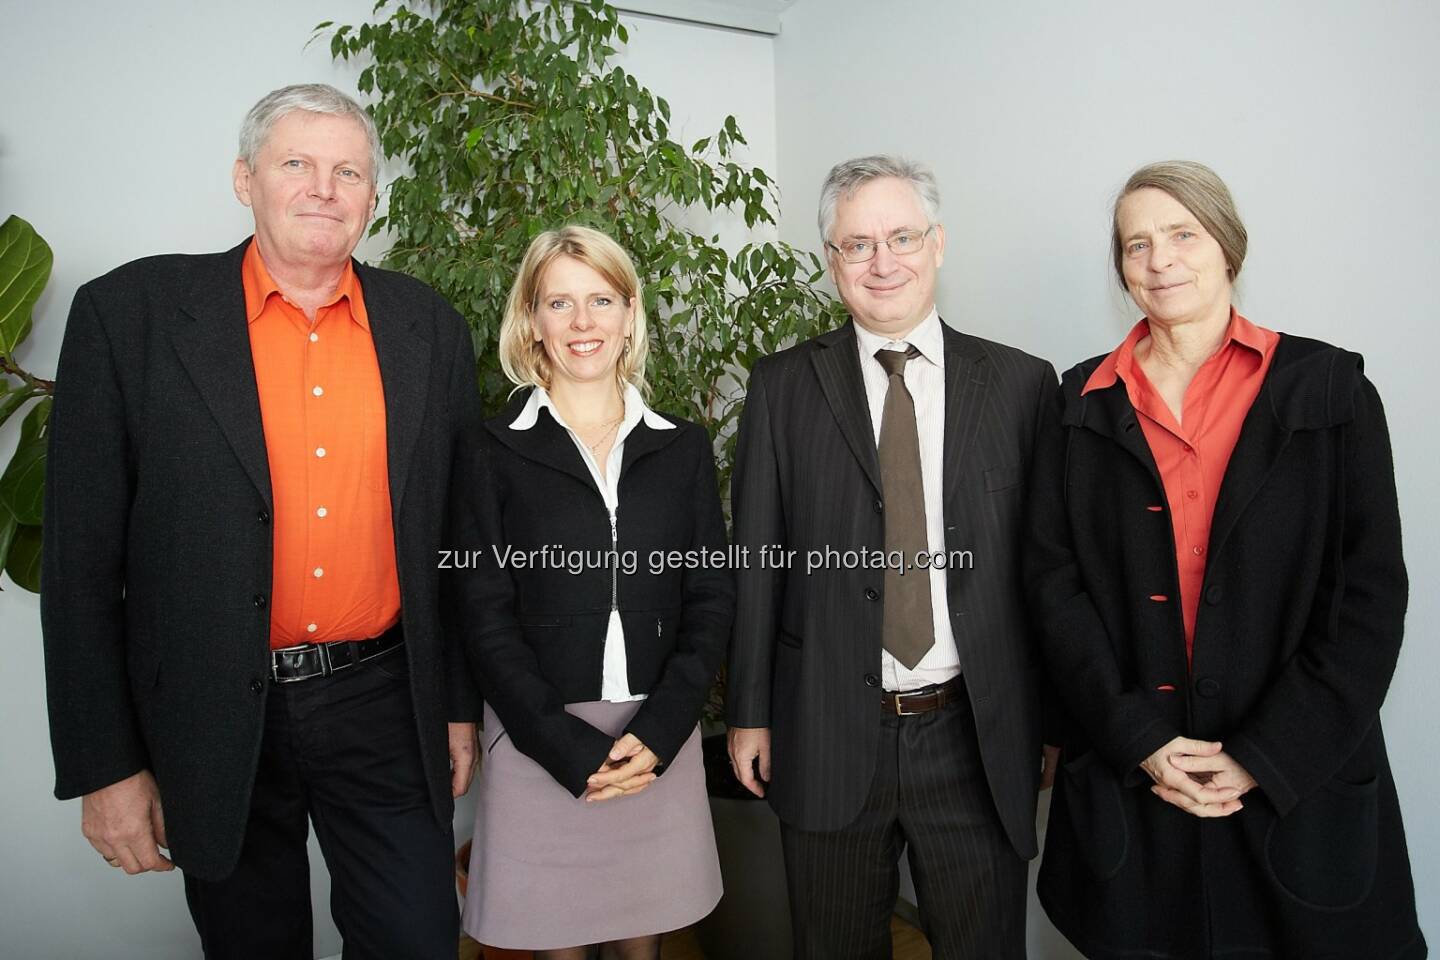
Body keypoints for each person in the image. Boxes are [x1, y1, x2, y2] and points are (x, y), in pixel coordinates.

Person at [41, 83, 482, 959]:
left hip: (386, 701)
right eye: (297, 164)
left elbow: (455, 541)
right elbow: (81, 565)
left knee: (418, 940)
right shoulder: (130, 317)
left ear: (371, 196)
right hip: (210, 708)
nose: (325, 187)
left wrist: (456, 707)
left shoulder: (429, 326)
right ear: (245, 180)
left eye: (348, 170)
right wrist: (105, 766)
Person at [1026, 160, 1426, 959]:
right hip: (1137, 777)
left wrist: (1261, 757)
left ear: (1228, 246)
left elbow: (1369, 602)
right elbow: (1051, 585)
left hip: (1295, 788)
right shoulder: (1076, 404)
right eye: (1137, 245)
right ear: (1122, 270)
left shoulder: (1332, 390)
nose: (1161, 259)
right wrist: (1136, 736)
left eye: (1183, 234)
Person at [725, 155, 1059, 959]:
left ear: (937, 242)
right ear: (831, 260)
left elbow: (1047, 572)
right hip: (827, 729)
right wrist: (748, 711)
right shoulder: (781, 387)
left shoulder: (1021, 384)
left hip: (974, 733)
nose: (883, 263)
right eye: (857, 244)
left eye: (902, 236)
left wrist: (1053, 716)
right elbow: (758, 559)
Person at [451, 225, 732, 959]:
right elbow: (483, 618)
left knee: (641, 950)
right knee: (557, 948)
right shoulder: (491, 449)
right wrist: (560, 743)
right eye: (560, 303)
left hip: (653, 741)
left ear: (630, 312)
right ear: (532, 320)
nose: (583, 323)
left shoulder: (683, 447)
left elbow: (709, 600)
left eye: (601, 299)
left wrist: (665, 731)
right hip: (539, 741)